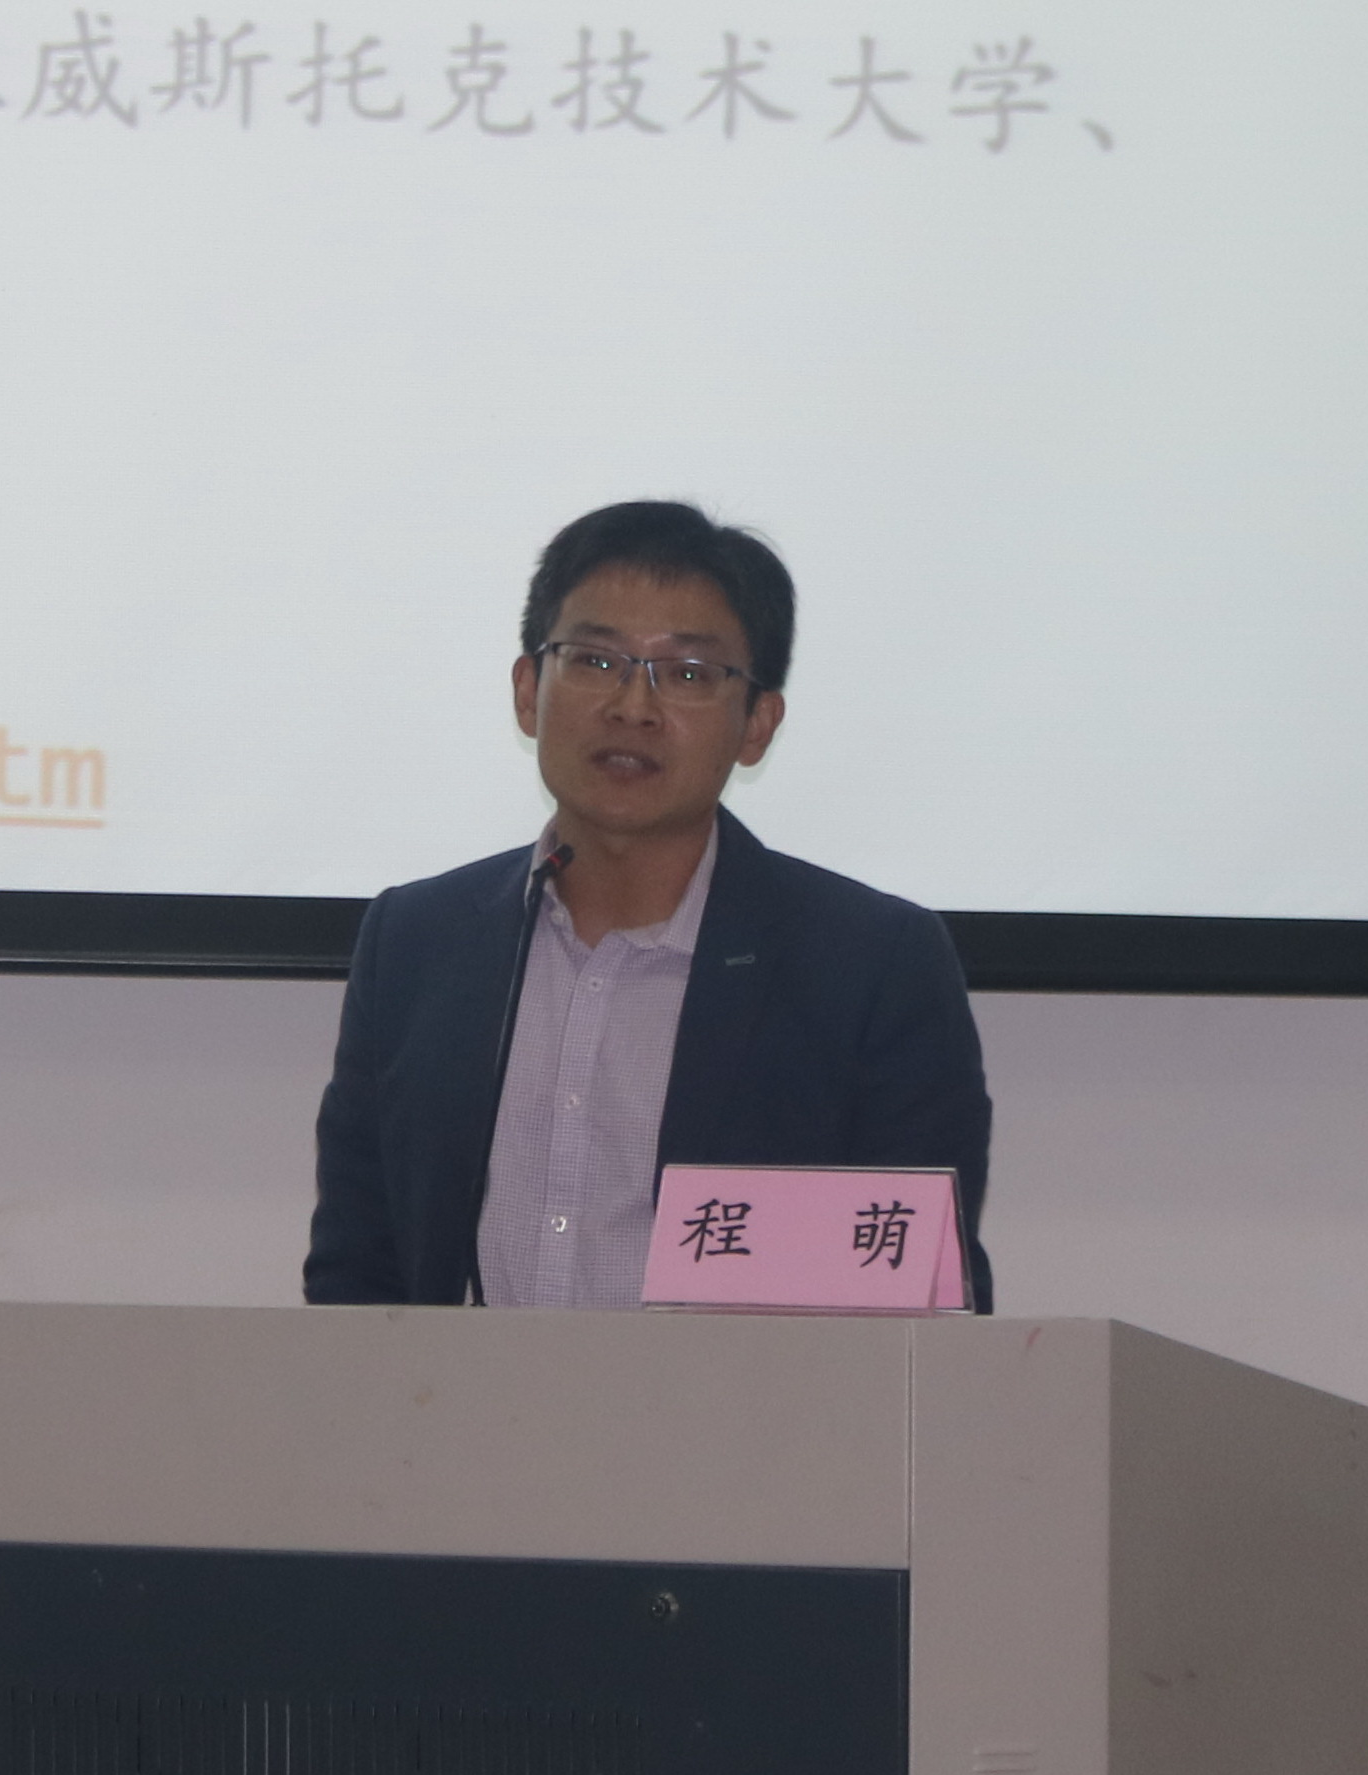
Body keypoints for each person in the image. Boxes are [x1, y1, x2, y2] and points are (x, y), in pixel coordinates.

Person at [303, 500, 992, 1310]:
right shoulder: (417, 943)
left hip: (742, 1398)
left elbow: (914, 1301)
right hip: (452, 1398)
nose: (632, 705)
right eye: (594, 660)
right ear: (527, 689)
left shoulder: (869, 965)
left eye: (688, 673)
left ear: (757, 723)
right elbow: (356, 1274)